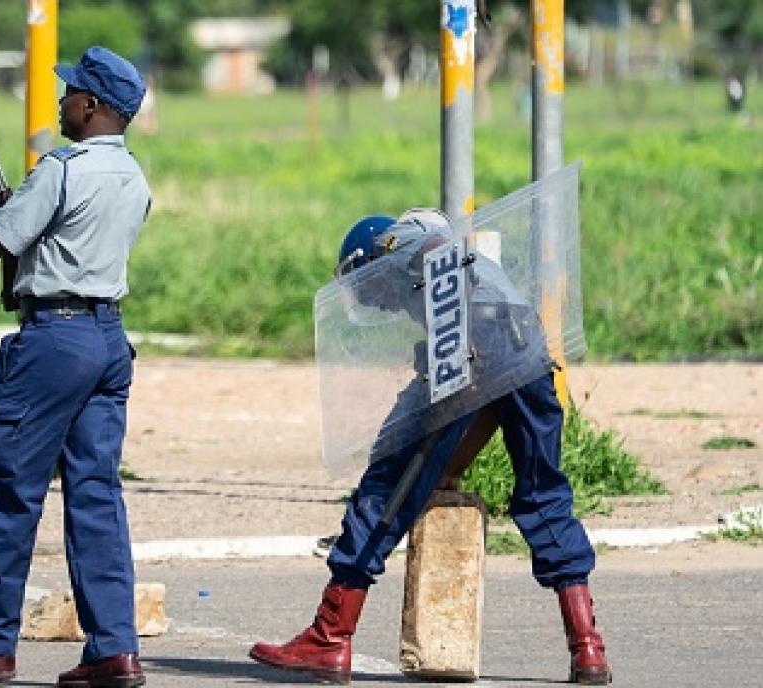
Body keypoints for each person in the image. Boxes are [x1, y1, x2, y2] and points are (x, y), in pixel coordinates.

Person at [250, 211, 611, 685]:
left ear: (374, 258)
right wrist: (449, 466)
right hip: (527, 348)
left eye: (365, 285)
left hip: (461, 345)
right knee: (544, 496)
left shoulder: (407, 244)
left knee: (385, 490)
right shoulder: (468, 268)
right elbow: (488, 404)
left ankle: (330, 637)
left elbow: (437, 269)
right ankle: (587, 649)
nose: (374, 300)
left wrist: (421, 463)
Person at [0, 45, 152, 688]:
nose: (62, 100)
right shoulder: (133, 176)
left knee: (4, 493)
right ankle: (113, 650)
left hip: (53, 341)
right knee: (96, 497)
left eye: (72, 92)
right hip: (108, 339)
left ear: (93, 105)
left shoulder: (62, 169)